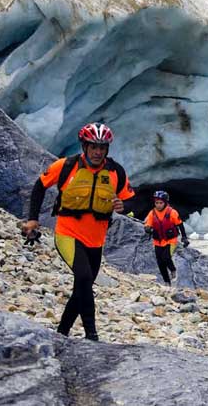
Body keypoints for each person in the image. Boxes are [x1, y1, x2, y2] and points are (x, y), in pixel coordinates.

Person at [22, 122, 135, 341]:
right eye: (93, 146)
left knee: (82, 287)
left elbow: (131, 200)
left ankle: (62, 333)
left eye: (102, 147)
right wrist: (33, 219)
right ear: (84, 146)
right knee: (83, 277)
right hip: (68, 233)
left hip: (96, 240)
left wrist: (124, 206)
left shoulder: (116, 172)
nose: (97, 152)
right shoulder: (67, 166)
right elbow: (40, 186)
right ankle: (91, 335)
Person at [143, 190, 189, 286]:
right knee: (160, 262)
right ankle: (167, 282)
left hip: (171, 241)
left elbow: (180, 225)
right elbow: (148, 224)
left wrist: (184, 238)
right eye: (156, 203)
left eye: (161, 203)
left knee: (166, 257)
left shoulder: (172, 212)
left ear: (165, 203)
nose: (158, 205)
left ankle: (173, 270)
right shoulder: (152, 213)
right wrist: (147, 228)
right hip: (157, 241)